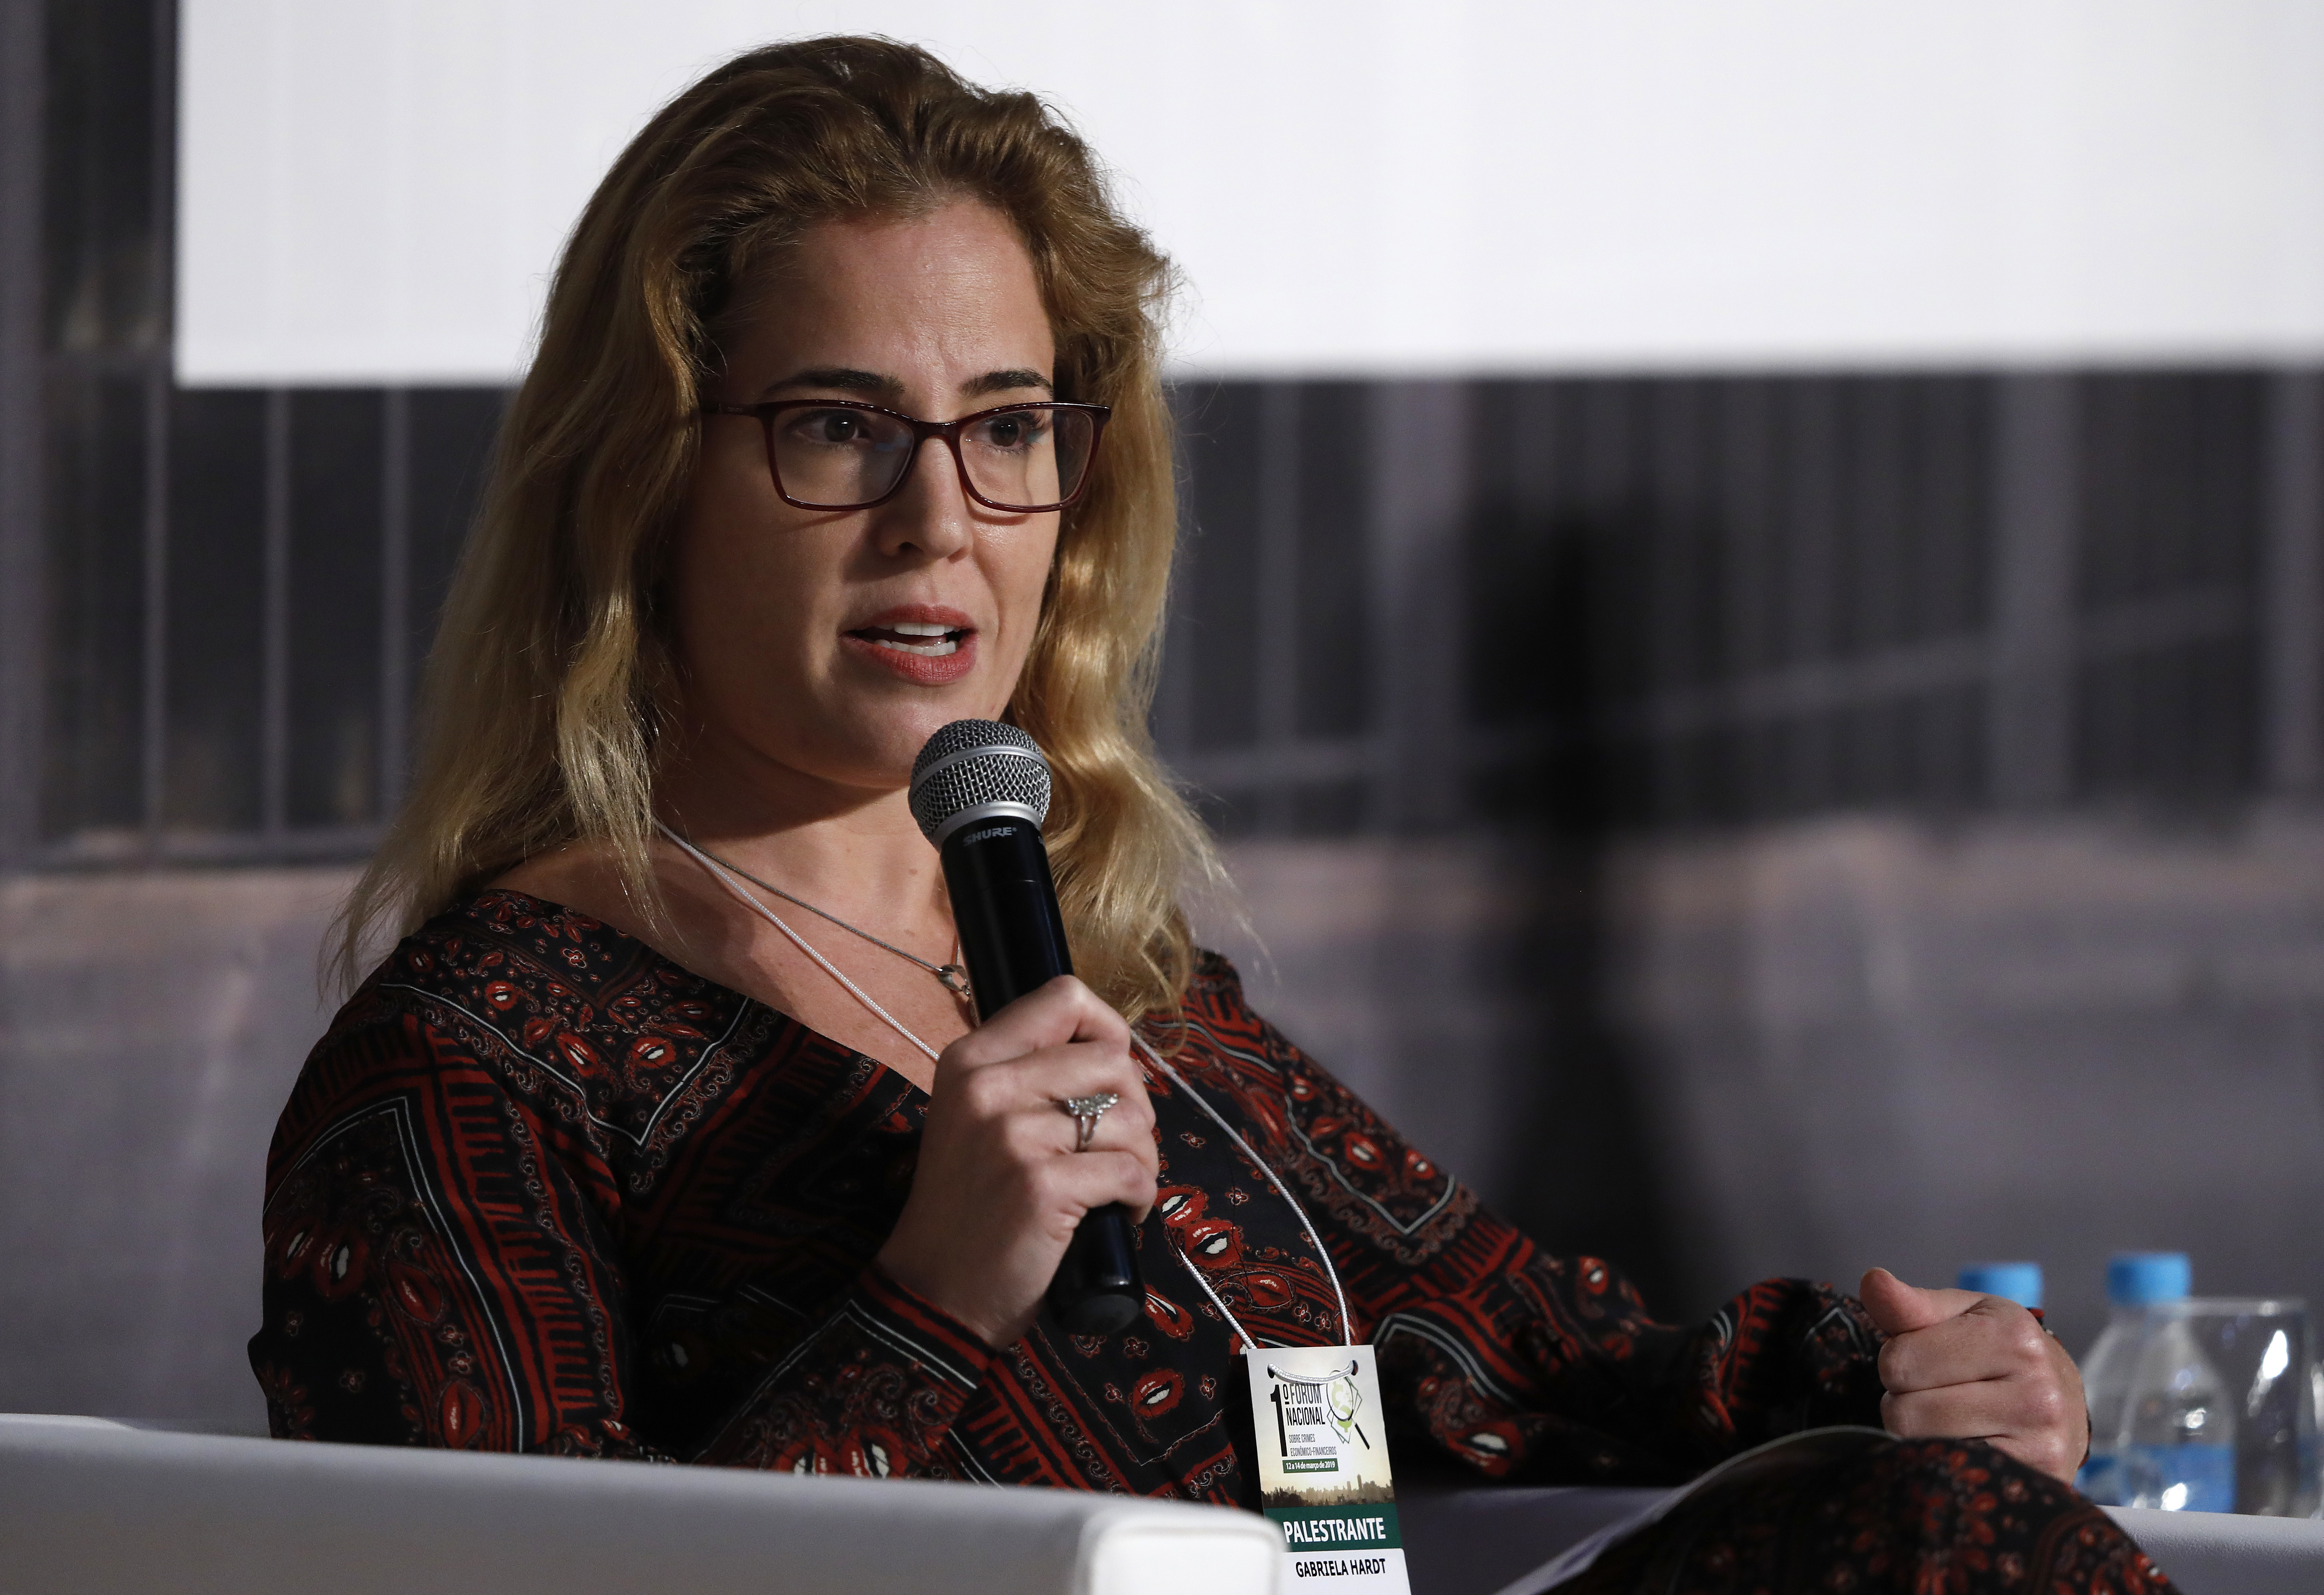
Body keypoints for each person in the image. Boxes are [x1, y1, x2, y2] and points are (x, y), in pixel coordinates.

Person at [252, 36, 2160, 1592]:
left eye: (1008, 428)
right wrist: (929, 1300)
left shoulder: (1128, 990)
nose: (940, 522)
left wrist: (1897, 1379)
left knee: (1937, 1531)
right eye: (838, 425)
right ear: (643, 477)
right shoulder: (468, 1065)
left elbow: (1517, 1356)